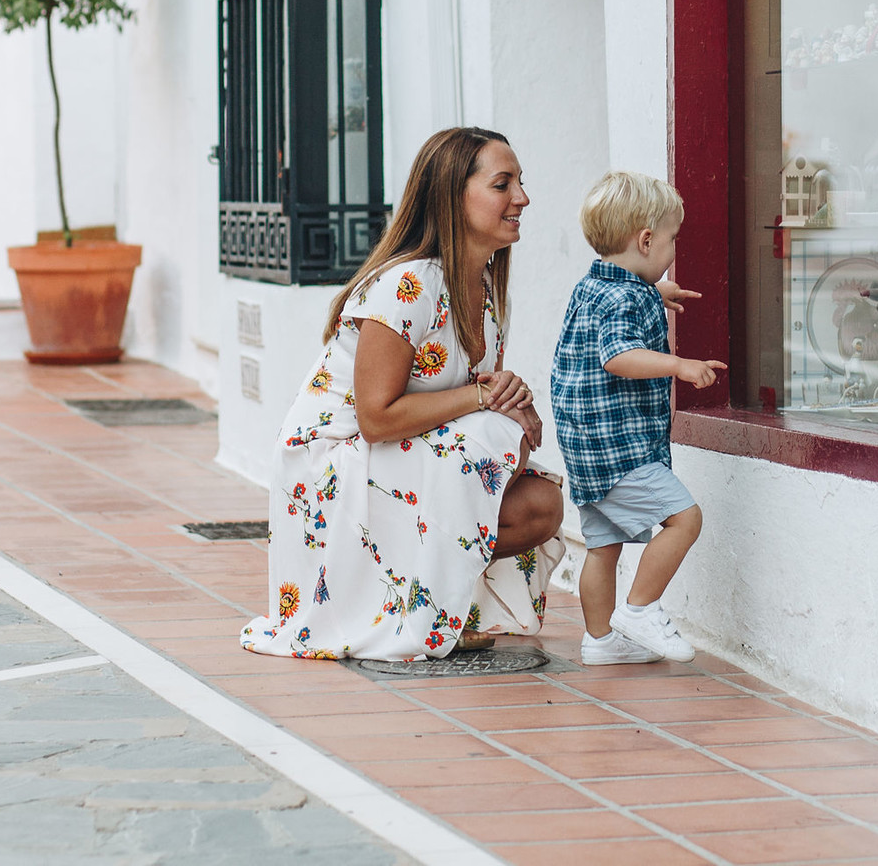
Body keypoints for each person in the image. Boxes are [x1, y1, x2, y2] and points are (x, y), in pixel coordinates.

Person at [239, 128, 564, 661]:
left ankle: (428, 605)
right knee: (490, 436)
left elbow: (478, 409)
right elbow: (376, 417)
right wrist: (487, 403)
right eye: (503, 184)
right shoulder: (407, 284)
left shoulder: (482, 288)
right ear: (451, 197)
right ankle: (409, 614)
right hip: (331, 465)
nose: (522, 199)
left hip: (400, 457)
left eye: (520, 183)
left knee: (539, 506)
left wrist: (512, 401)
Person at [551, 171, 724, 665]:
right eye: (671, 239)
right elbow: (619, 355)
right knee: (685, 518)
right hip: (620, 447)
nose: (673, 249)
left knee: (602, 546)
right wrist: (680, 366)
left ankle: (601, 641)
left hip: (587, 448)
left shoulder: (598, 286)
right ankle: (641, 609)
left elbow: (612, 314)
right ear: (646, 240)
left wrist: (657, 293)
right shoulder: (626, 298)